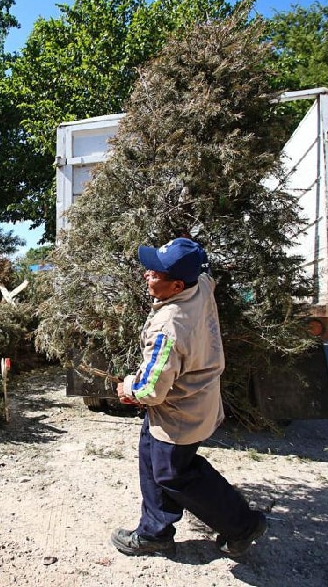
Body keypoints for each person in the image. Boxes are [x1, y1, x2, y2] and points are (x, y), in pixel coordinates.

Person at [110, 237, 266, 558]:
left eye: (155, 274)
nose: (146, 276)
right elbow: (205, 266)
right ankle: (155, 531)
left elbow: (151, 390)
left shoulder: (169, 327)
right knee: (152, 459)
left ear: (176, 284)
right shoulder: (202, 286)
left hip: (180, 414)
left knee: (176, 474)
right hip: (191, 403)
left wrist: (128, 389)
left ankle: (242, 525)